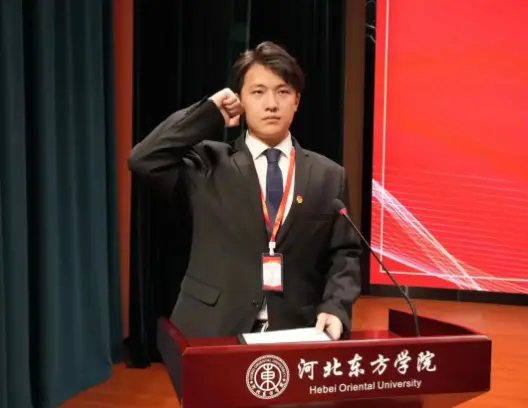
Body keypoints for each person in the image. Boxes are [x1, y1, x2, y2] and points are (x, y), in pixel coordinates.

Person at [128, 41, 362, 340]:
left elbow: (344, 253)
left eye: (283, 92)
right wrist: (210, 112)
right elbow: (144, 159)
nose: (271, 104)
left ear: (297, 101)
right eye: (258, 92)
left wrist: (336, 306)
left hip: (296, 329)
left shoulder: (328, 175)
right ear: (240, 99)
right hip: (213, 327)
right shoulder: (208, 163)